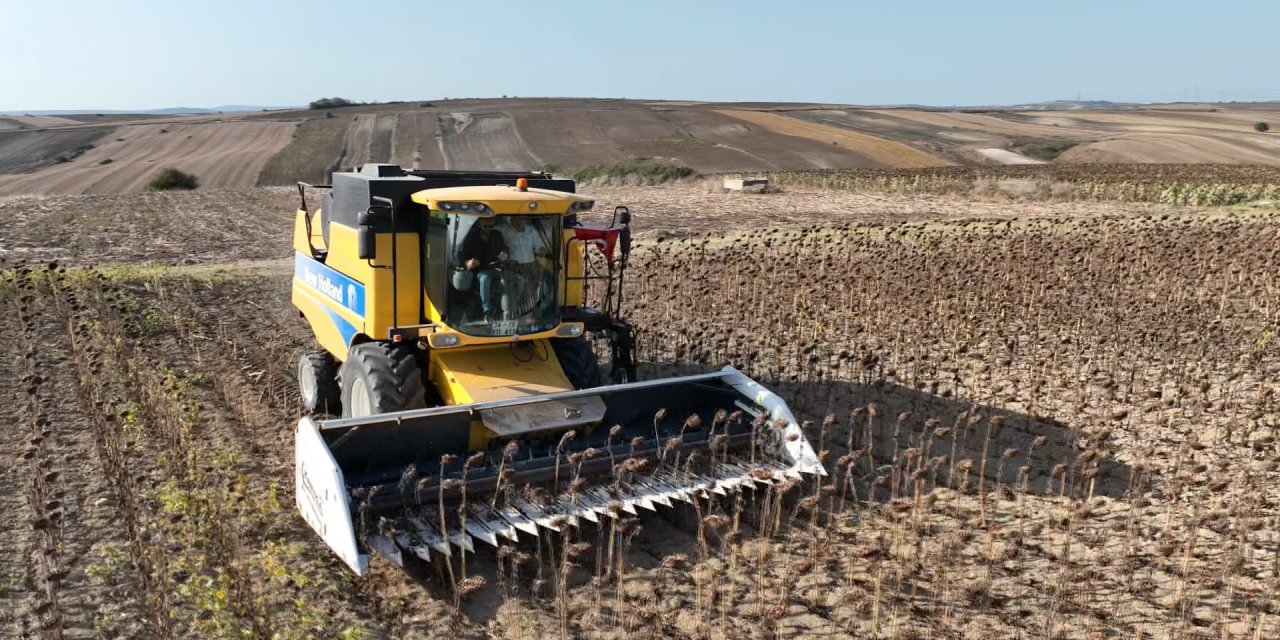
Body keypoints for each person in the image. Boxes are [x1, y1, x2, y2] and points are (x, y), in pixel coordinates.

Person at [499, 216, 553, 319]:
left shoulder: (531, 231)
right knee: (516, 293)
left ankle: (531, 317)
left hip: (530, 266)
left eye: (522, 218)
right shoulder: (503, 230)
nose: (520, 221)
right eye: (517, 218)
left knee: (532, 291)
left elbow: (540, 247)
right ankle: (511, 316)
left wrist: (541, 251)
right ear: (511, 219)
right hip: (512, 268)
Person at [457, 217, 509, 321]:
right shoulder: (472, 237)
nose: (488, 229)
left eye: (491, 226)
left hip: (497, 268)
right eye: (486, 226)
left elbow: (505, 250)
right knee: (485, 279)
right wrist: (469, 263)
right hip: (480, 271)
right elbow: (463, 256)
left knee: (510, 279)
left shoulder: (497, 235)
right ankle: (487, 311)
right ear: (480, 226)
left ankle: (507, 311)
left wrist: (505, 255)